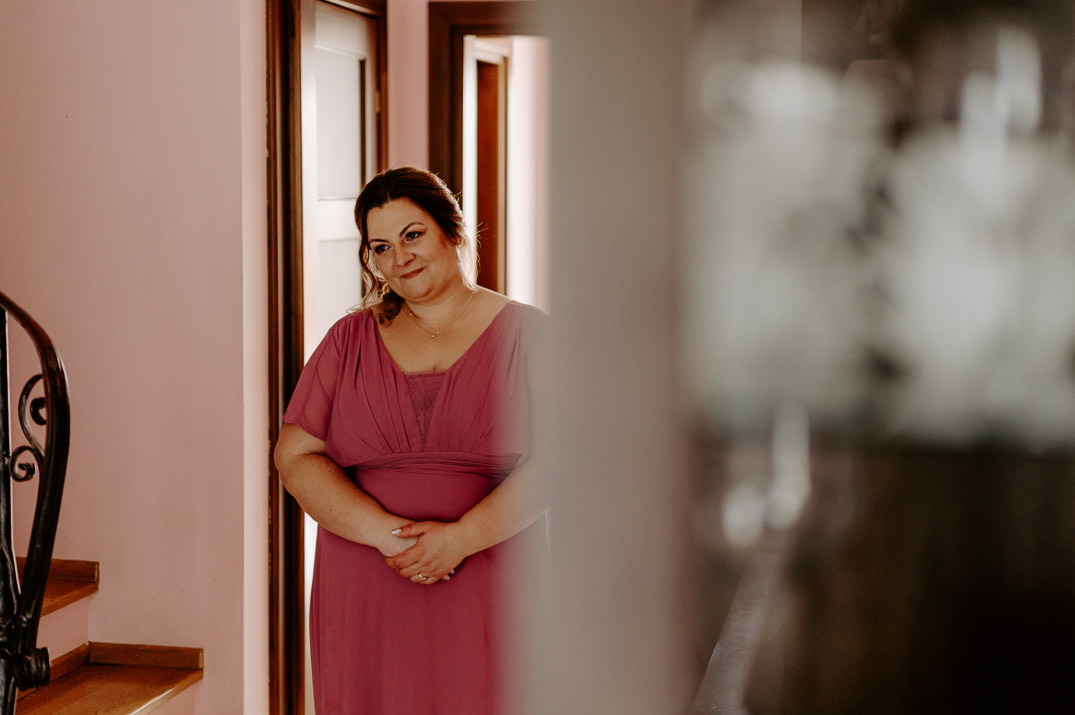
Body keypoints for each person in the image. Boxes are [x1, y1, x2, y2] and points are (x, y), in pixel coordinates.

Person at [274, 166, 548, 714]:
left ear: (452, 230)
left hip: (490, 574)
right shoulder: (348, 339)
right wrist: (388, 536)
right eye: (381, 247)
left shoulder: (528, 332)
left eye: (412, 235)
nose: (400, 258)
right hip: (366, 578)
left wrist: (462, 538)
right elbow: (295, 455)